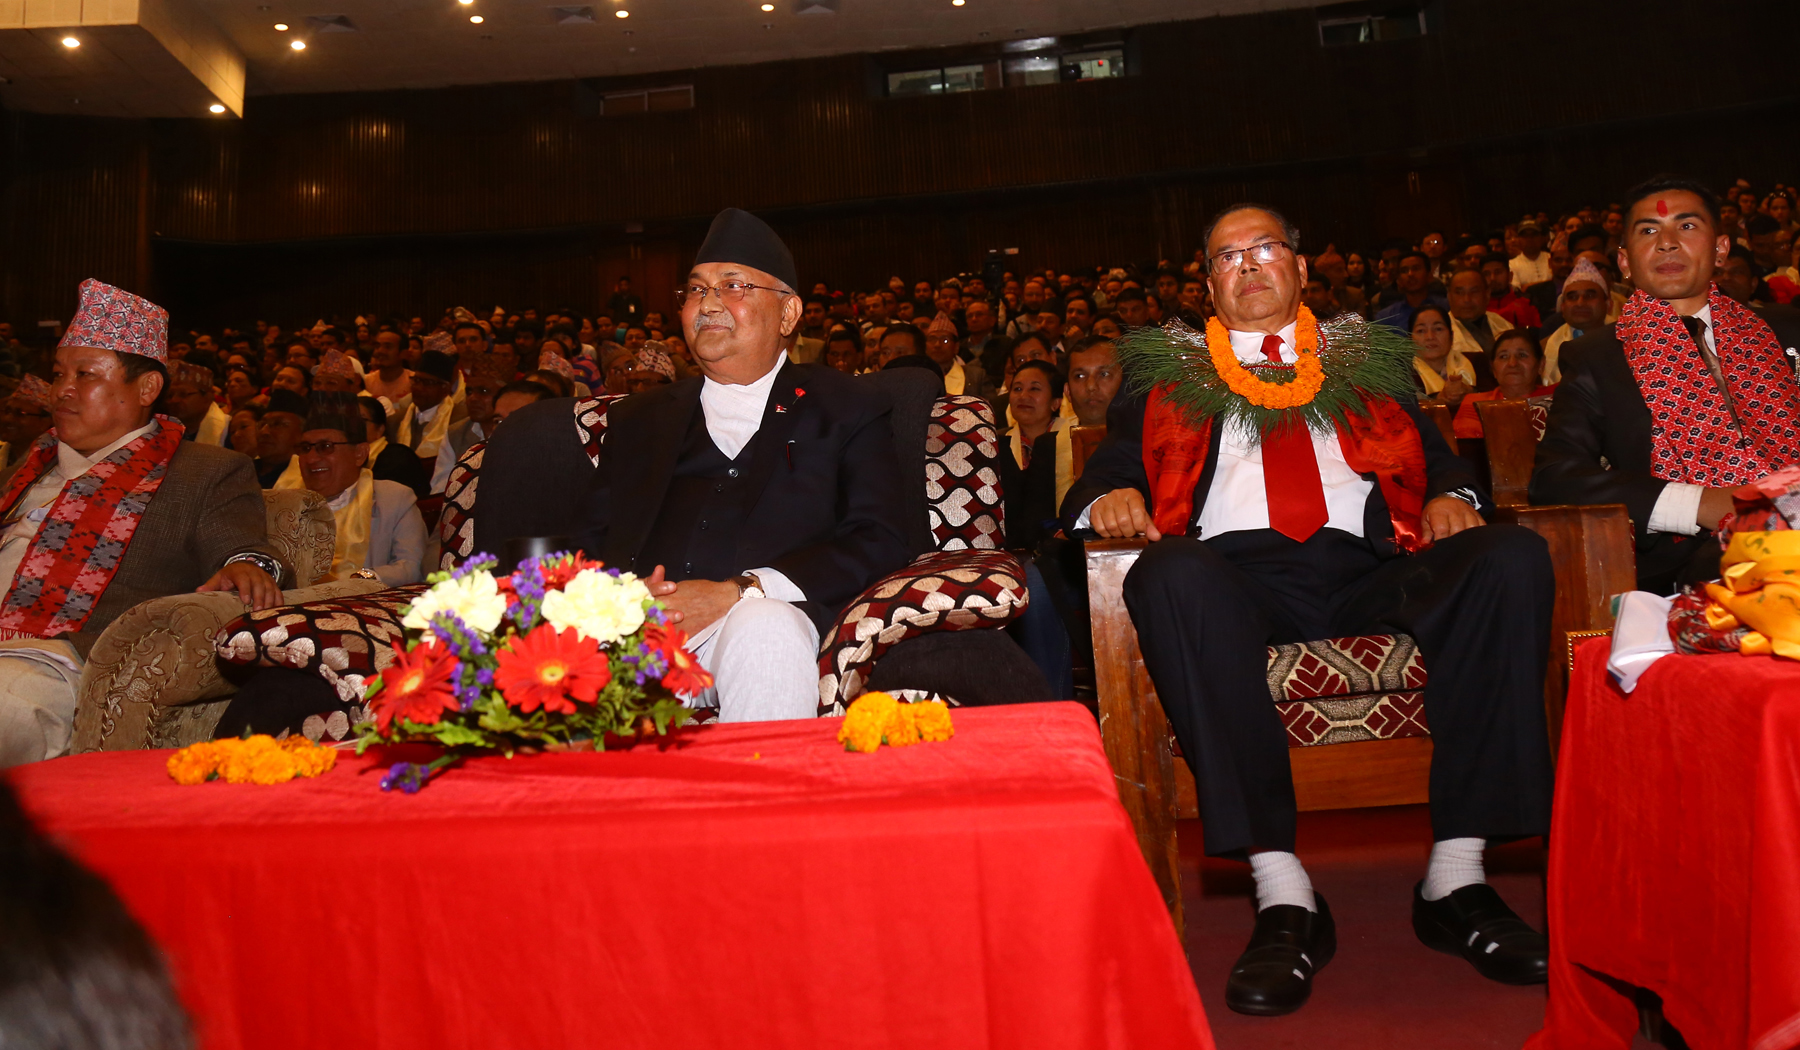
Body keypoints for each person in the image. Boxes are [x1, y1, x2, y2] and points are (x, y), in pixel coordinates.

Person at [1065, 204, 1553, 1016]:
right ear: (1209, 286)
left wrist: (1452, 497)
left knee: (1510, 558)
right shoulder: (1166, 373)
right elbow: (1107, 471)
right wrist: (1109, 497)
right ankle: (1283, 889)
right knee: (1169, 573)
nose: (1248, 265)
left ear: (1297, 266)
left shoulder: (1365, 358)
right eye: (1228, 257)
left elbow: (1438, 462)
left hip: (1372, 565)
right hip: (1234, 579)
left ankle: (1458, 878)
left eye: (1264, 249)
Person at [574, 207, 908, 723]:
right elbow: (590, 540)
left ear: (788, 314)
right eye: (696, 290)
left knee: (765, 626)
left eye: (733, 286)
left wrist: (743, 590)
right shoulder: (638, 418)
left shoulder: (846, 407)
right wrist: (620, 598)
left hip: (766, 624)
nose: (708, 304)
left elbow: (882, 537)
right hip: (643, 627)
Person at [0, 279, 286, 767]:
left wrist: (248, 565)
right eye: (58, 374)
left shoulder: (202, 471)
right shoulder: (29, 464)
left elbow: (243, 549)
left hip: (65, 658)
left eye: (85, 375)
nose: (62, 390)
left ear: (148, 388)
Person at [1533, 175, 1800, 595]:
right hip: (1696, 557)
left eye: (1687, 226)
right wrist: (1700, 503)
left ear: (1721, 249)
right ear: (1624, 262)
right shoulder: (1598, 358)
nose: (1667, 243)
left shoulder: (1784, 330)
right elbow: (1555, 477)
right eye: (1649, 231)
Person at [280, 392, 425, 586]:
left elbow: (410, 567)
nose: (311, 459)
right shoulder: (283, 506)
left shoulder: (394, 499)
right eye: (305, 448)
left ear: (359, 453)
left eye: (326, 446)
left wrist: (355, 581)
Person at [1452, 330, 1556, 439]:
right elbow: (1467, 448)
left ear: (1541, 365)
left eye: (1522, 355)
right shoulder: (1476, 404)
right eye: (1503, 357)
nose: (1512, 363)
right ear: (1493, 369)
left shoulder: (1556, 401)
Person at [1540, 259, 1613, 384]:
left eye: (1589, 296)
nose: (1580, 303)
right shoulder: (1545, 347)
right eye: (1572, 297)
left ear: (1608, 305)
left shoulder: (1627, 341)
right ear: (1563, 308)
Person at [431, 368, 502, 494]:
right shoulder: (455, 434)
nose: (472, 398)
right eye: (469, 392)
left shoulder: (518, 432)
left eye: (484, 391)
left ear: (505, 396)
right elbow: (440, 490)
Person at [386, 348, 459, 463]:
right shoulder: (395, 422)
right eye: (416, 380)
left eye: (427, 383)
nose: (418, 388)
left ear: (445, 389)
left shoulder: (458, 421)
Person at [1445, 268, 1512, 387]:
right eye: (1459, 293)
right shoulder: (1441, 332)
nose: (1467, 299)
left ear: (1487, 294)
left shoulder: (1502, 323)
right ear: (1449, 297)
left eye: (1474, 292)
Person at [356, 395, 430, 499]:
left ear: (379, 430)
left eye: (360, 420)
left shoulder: (396, 457)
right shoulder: (340, 457)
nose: (352, 425)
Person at [1410, 304, 1475, 410]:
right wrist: (1437, 399)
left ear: (1451, 336)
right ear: (1410, 340)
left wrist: (1470, 393)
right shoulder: (1401, 374)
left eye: (1438, 329)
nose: (1430, 337)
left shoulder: (1476, 361)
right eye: (1421, 331)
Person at [1373, 251, 1447, 329]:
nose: (1410, 274)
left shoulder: (1446, 307)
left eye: (1416, 269)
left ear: (1429, 275)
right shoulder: (1386, 318)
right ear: (1399, 280)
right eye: (1404, 271)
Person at [254, 388, 309, 488]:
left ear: (302, 434)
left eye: (278, 424)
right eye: (262, 424)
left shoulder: (307, 480)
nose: (264, 432)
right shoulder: (240, 471)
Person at [165, 361, 230, 445]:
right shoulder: (159, 430)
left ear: (207, 398)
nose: (174, 400)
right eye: (169, 395)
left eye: (183, 394)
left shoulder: (229, 429)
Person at [0, 376, 55, 475]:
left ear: (45, 422)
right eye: (7, 411)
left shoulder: (52, 466)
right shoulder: (4, 454)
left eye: (20, 413)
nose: (7, 419)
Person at [1065, 335, 1122, 429]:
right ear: (1067, 391)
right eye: (1080, 376)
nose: (1091, 386)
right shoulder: (1054, 439)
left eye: (1104, 374)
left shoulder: (1144, 437)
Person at [924, 312, 984, 396]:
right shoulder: (916, 375)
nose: (937, 345)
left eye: (945, 340)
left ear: (956, 347)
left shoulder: (975, 376)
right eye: (932, 339)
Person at [1483, 255, 1541, 330]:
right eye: (1487, 274)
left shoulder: (1528, 301)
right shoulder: (1477, 306)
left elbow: (1540, 332)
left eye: (1498, 272)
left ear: (1510, 276)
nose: (1492, 278)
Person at [1509, 220, 1552, 290]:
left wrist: (1527, 287)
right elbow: (1517, 291)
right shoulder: (1512, 264)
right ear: (1519, 239)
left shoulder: (1551, 258)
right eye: (1525, 235)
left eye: (1534, 235)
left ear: (1541, 238)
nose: (1529, 239)